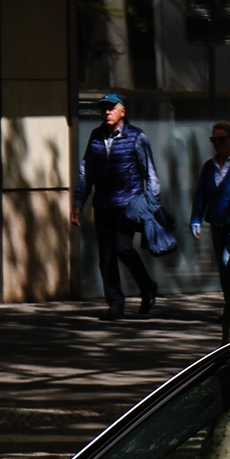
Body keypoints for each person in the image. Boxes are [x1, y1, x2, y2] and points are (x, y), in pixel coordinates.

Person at [72, 92, 161, 319]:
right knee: (106, 255)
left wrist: (151, 204)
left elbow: (149, 172)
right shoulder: (95, 136)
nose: (107, 112)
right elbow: (86, 172)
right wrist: (78, 202)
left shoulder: (136, 137)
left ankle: (147, 286)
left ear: (123, 111)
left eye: (112, 108)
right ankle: (115, 303)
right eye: (104, 108)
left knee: (123, 248)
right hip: (102, 204)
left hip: (128, 204)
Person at [193, 122, 230, 299]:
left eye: (222, 139)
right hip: (216, 222)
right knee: (222, 267)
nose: (217, 144)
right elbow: (201, 194)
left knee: (228, 260)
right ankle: (229, 305)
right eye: (214, 140)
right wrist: (195, 219)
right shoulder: (209, 166)